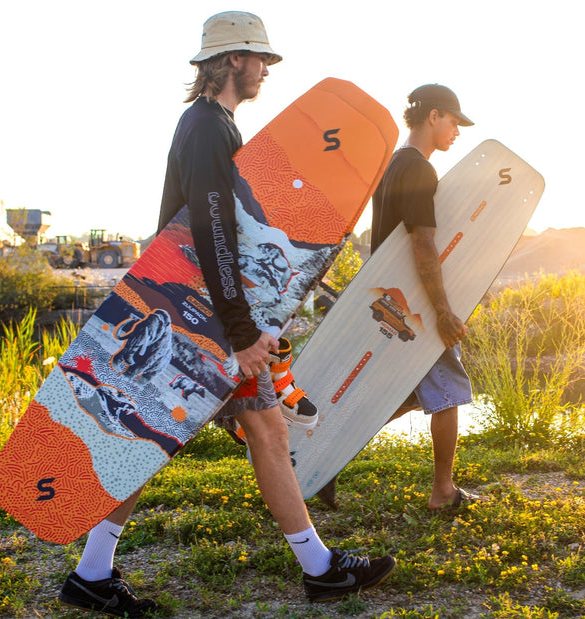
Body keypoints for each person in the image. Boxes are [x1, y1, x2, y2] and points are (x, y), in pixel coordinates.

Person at [57, 12, 395, 617]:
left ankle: (95, 572)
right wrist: (241, 331)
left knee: (236, 430)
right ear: (233, 59)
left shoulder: (212, 126)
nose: (267, 69)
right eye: (260, 58)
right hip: (203, 315)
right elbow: (212, 230)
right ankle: (315, 568)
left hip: (206, 310)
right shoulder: (208, 128)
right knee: (156, 436)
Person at [317, 84, 484, 514]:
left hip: (391, 299)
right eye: (453, 121)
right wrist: (443, 312)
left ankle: (329, 458)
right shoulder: (420, 171)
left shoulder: (392, 166)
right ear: (433, 117)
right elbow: (422, 244)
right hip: (416, 305)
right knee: (448, 392)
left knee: (406, 395)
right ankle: (443, 492)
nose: (457, 132)